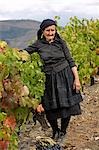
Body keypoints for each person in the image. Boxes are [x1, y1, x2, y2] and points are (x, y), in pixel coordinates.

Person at [24, 19, 83, 142]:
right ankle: (55, 130)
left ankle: (63, 132)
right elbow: (24, 53)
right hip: (49, 78)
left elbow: (71, 61)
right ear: (43, 31)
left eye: (53, 30)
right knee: (50, 107)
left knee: (67, 106)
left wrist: (76, 79)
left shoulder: (61, 43)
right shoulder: (38, 44)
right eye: (48, 30)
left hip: (66, 76)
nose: (51, 33)